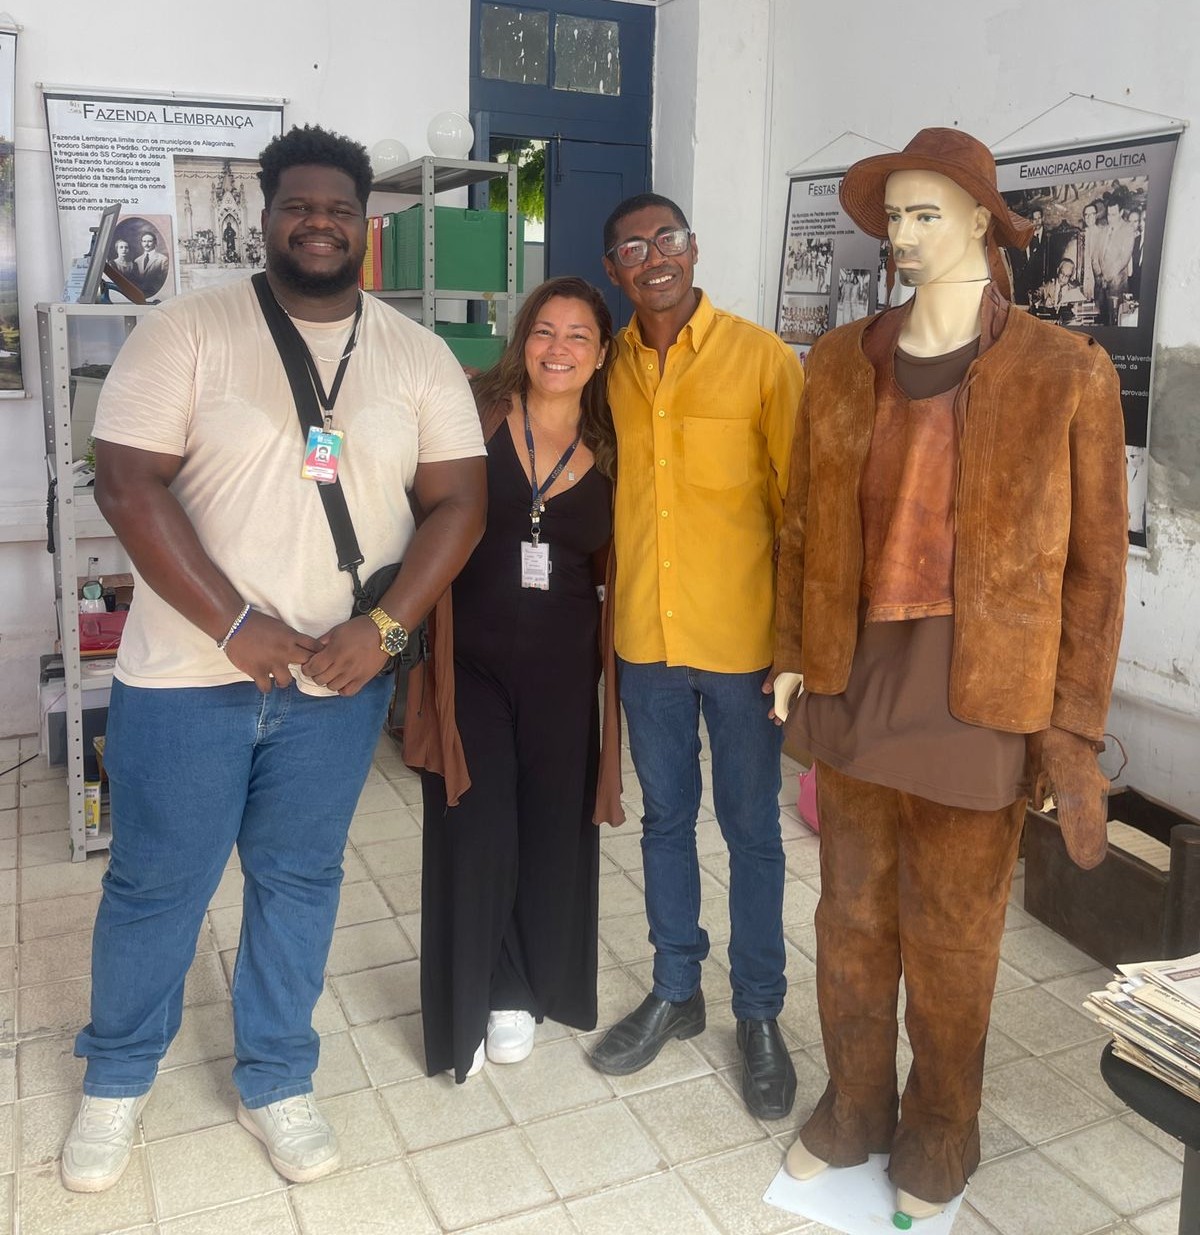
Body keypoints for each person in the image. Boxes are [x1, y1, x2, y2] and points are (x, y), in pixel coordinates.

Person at [59, 124, 487, 1194]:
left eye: (338, 208)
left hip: (336, 685)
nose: (318, 223)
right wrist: (231, 623)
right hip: (186, 677)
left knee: (299, 881)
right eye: (298, 205)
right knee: (157, 882)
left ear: (366, 225)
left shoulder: (417, 355)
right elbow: (127, 482)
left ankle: (277, 1074)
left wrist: (386, 629)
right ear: (266, 217)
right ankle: (119, 1074)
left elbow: (460, 505)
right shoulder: (188, 332)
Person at [770, 127, 1127, 1220]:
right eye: (896, 216)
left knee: (955, 935)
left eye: (929, 212)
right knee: (849, 918)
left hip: (981, 699)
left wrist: (1071, 727)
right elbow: (801, 522)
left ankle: (941, 1123)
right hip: (855, 681)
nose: (906, 234)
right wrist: (791, 652)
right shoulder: (840, 361)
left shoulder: (1065, 370)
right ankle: (853, 1105)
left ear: (982, 220)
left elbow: (1096, 571)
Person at [586, 193, 805, 1121]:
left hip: (744, 646)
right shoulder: (605, 369)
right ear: (615, 270)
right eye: (633, 247)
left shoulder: (763, 359)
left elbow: (802, 512)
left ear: (694, 248)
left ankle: (759, 1011)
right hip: (647, 642)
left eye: (666, 239)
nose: (655, 257)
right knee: (665, 821)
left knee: (752, 830)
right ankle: (678, 988)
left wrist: (797, 644)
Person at [407, 276, 624, 1082]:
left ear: (601, 354)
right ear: (522, 338)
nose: (558, 348)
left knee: (552, 832)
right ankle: (480, 994)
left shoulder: (617, 446)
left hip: (565, 674)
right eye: (544, 330)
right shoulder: (474, 413)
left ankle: (524, 987)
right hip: (472, 663)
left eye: (578, 336)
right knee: (477, 824)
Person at [133, 230, 170, 297]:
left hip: (155, 293)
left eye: (149, 241)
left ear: (155, 243)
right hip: (139, 293)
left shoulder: (163, 259)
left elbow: (163, 280)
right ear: (141, 243)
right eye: (144, 241)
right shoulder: (137, 261)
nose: (146, 244)